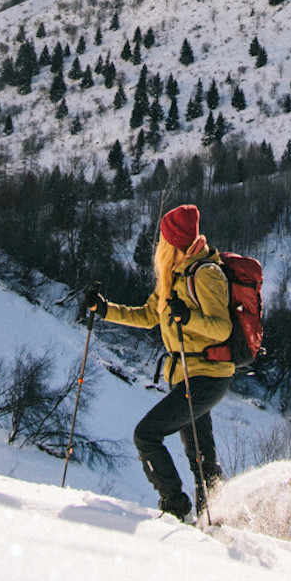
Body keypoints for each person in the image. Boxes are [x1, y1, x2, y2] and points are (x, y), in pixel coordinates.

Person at [84, 203, 233, 521]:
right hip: (186, 376)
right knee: (201, 457)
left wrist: (188, 317)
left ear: (175, 243)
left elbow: (222, 327)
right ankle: (215, 519)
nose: (160, 247)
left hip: (207, 376)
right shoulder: (173, 276)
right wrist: (105, 310)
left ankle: (175, 506)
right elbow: (149, 315)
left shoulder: (206, 274)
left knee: (146, 435)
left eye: (165, 241)